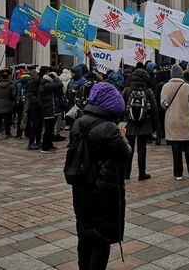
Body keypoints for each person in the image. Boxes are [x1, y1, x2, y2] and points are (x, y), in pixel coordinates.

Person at [69, 81, 132, 270]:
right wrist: (122, 136)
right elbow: (124, 154)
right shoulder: (108, 128)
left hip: (81, 187)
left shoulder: (79, 121)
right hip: (103, 190)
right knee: (101, 241)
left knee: (85, 235)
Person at [161, 64, 189, 180]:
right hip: (185, 119)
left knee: (176, 148)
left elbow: (163, 104)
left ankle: (178, 173)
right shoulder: (187, 87)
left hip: (171, 121)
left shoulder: (166, 86)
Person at [123, 65, 158, 181]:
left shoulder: (127, 90)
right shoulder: (148, 91)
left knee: (129, 148)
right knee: (142, 150)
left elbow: (122, 106)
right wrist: (156, 125)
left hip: (130, 123)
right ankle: (141, 173)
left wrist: (122, 120)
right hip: (145, 123)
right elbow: (154, 109)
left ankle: (126, 173)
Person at [39, 72, 63, 153]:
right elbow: (60, 84)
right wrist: (56, 78)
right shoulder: (46, 85)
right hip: (48, 111)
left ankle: (49, 145)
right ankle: (45, 147)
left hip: (50, 110)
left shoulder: (45, 84)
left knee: (50, 129)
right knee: (48, 130)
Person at [0, 69, 14, 139]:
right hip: (8, 105)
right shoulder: (11, 86)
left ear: (1, 77)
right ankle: (8, 133)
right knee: (7, 121)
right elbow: (13, 96)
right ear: (8, 77)